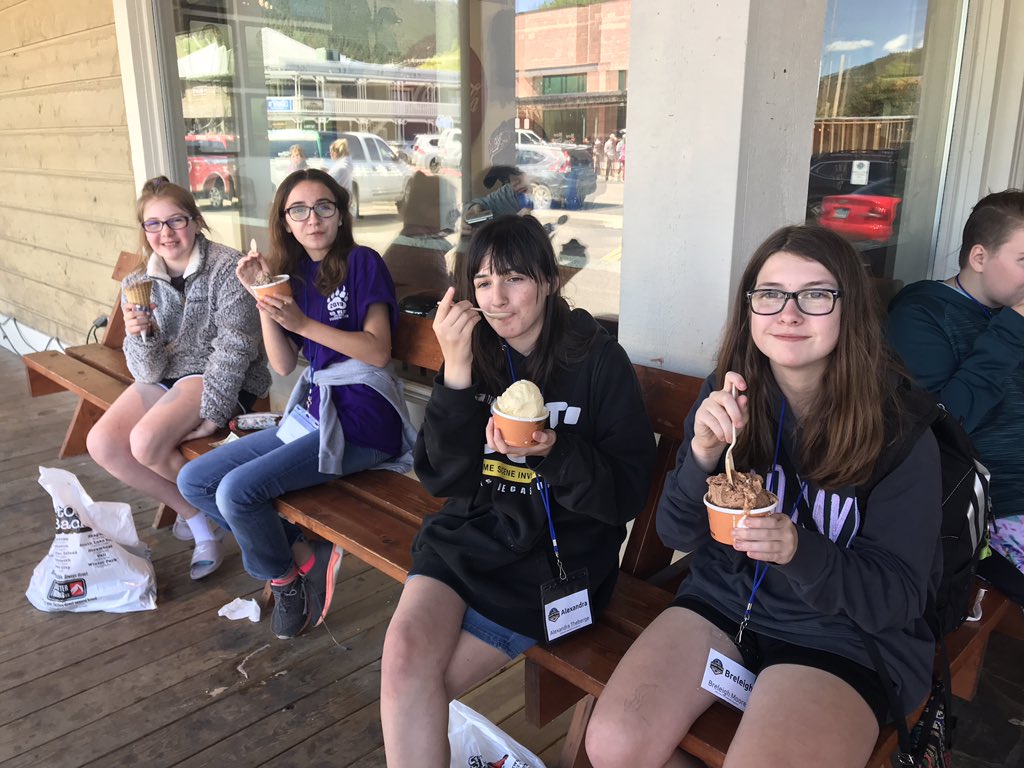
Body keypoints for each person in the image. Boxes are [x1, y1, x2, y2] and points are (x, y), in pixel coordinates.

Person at [587, 225, 943, 768]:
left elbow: (896, 597)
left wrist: (798, 549)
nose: (789, 313)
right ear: (750, 306)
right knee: (611, 743)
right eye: (771, 294)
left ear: (850, 309)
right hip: (727, 603)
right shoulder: (728, 395)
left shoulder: (899, 432)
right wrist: (702, 455)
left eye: (816, 295)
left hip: (840, 639)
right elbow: (677, 533)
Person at [380, 214, 657, 766]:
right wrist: (455, 374)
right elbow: (444, 480)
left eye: (514, 279)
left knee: (418, 691)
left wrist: (554, 453)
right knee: (405, 659)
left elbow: (624, 496)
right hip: (468, 538)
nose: (498, 299)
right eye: (483, 283)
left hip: (553, 563)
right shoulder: (475, 352)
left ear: (550, 281)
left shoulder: (598, 361)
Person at [177, 168, 416, 640]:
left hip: (365, 420)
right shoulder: (294, 274)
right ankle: (299, 558)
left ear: (340, 214)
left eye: (325, 207)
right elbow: (283, 364)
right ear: (286, 221)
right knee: (196, 479)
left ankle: (284, 583)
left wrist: (302, 322)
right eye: (299, 210)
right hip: (315, 413)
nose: (313, 219)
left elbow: (377, 351)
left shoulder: (363, 262)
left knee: (236, 493)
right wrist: (262, 297)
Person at [86, 176, 270, 580]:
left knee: (145, 442)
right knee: (101, 443)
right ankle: (198, 515)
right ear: (144, 230)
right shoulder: (138, 283)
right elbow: (146, 372)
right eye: (154, 224)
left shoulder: (226, 267)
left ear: (196, 220)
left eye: (176, 221)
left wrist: (214, 411)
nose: (166, 233)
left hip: (219, 376)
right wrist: (141, 334)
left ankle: (214, 527)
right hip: (167, 376)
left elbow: (237, 344)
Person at [887, 189, 1024, 602]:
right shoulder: (920, 316)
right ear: (979, 258)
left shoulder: (1006, 308)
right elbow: (943, 426)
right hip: (995, 505)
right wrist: (1014, 327)